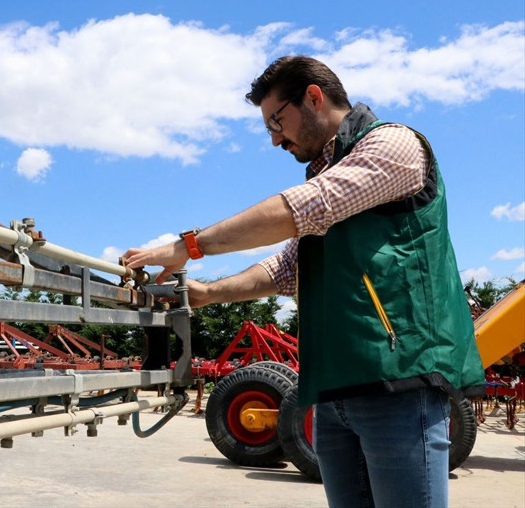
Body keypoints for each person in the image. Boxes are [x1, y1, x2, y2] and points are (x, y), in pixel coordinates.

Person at [123, 56, 485, 508]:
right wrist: (207, 293)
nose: (275, 139)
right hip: (332, 391)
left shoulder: (393, 144)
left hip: (397, 385)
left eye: (277, 120)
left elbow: (310, 205)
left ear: (313, 96)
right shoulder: (328, 173)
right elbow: (286, 268)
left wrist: (189, 246)